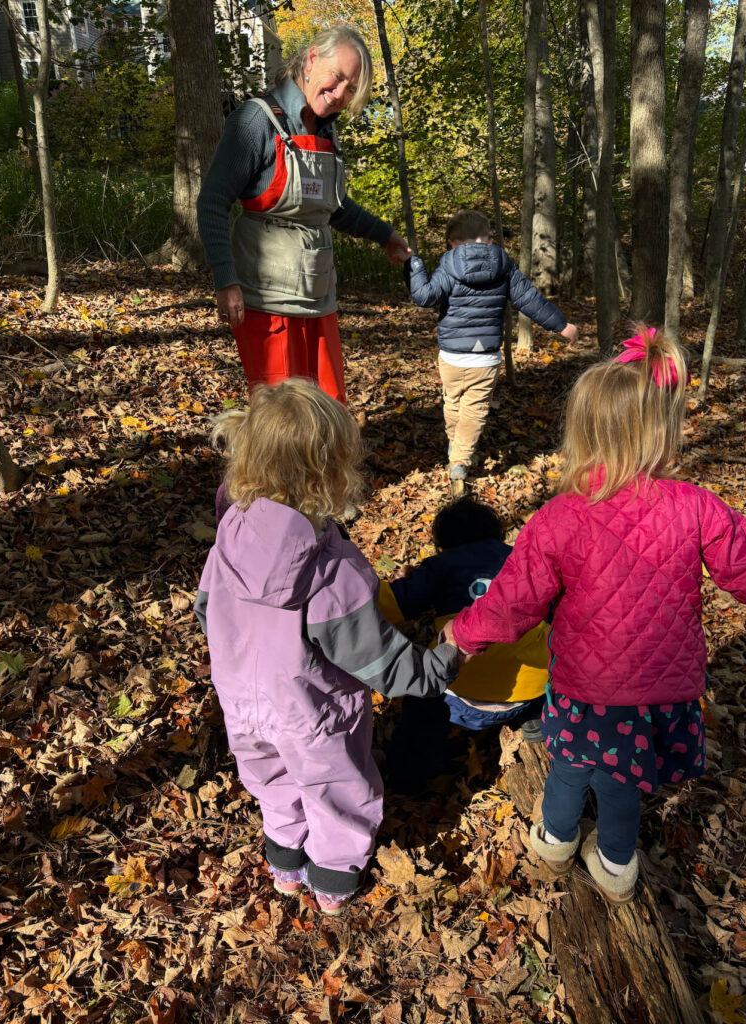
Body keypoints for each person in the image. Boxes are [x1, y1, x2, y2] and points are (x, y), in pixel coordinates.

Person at [444, 326, 746, 903]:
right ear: (662, 430)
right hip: (662, 689)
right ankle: (614, 864)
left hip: (587, 688)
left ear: (584, 434)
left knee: (572, 764)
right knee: (623, 778)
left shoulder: (560, 518)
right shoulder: (696, 506)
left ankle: (560, 843)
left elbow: (513, 602)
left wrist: (463, 631)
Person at [193, 379, 459, 915]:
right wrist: (439, 665)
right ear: (332, 470)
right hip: (313, 714)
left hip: (243, 706)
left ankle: (285, 867)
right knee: (336, 787)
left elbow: (206, 612)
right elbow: (375, 656)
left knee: (271, 779)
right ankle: (334, 885)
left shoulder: (229, 537)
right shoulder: (331, 568)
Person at [197, 26, 411, 403]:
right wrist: (225, 280)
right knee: (280, 417)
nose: (341, 93)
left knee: (328, 409)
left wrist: (385, 235)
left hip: (318, 298)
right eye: (338, 77)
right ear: (312, 59)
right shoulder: (255, 121)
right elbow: (212, 201)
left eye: (351, 88)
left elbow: (334, 208)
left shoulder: (326, 131)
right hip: (266, 303)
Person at [378, 498, 550, 791]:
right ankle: (536, 728)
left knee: (420, 709)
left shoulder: (441, 566)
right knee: (537, 687)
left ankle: (411, 772)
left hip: (458, 691)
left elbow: (389, 605)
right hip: (531, 689)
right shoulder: (522, 559)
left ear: (444, 541)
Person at [403, 210, 579, 495]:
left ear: (451, 242)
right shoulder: (503, 264)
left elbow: (425, 297)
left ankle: (455, 446)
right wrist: (562, 325)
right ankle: (459, 461)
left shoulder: (448, 264)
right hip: (485, 356)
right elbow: (529, 300)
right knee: (475, 409)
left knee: (452, 399)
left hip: (451, 354)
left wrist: (413, 264)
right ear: (489, 238)